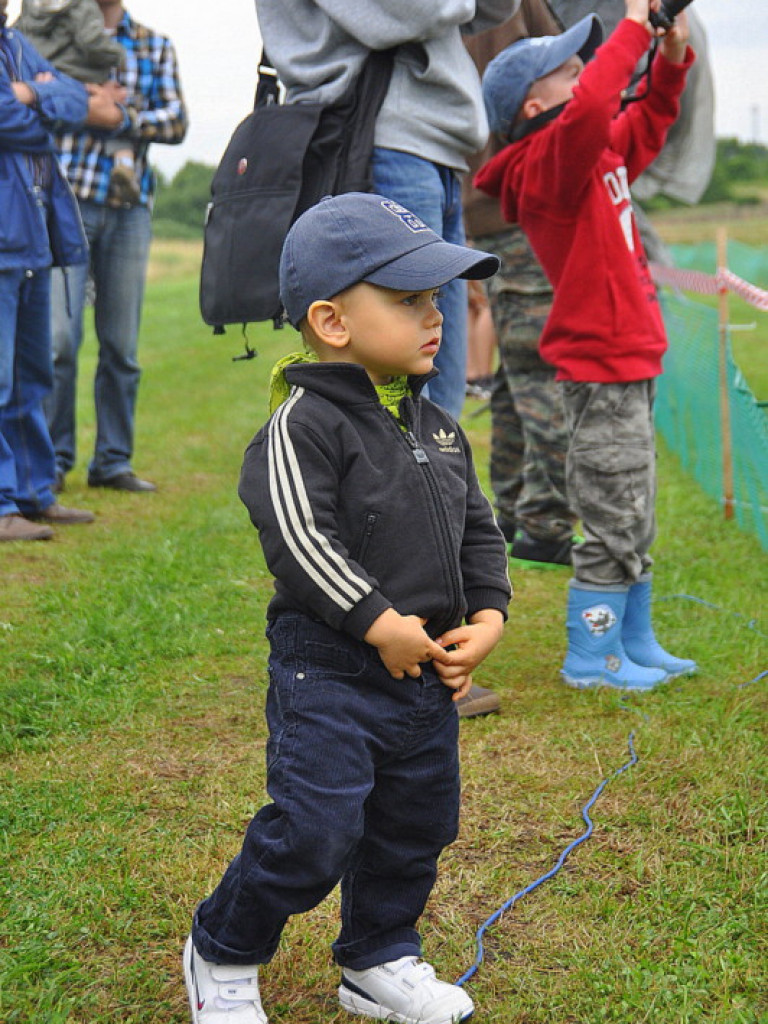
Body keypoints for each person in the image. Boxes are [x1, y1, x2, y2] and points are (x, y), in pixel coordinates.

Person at [183, 192, 511, 1024]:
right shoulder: (301, 427)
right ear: (331, 322)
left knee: (415, 826)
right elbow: (299, 539)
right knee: (314, 829)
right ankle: (223, 949)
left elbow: (477, 529)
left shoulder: (438, 426)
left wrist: (489, 617)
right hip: (330, 671)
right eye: (408, 299)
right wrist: (377, 621)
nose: (435, 316)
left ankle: (378, 956)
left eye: (436, 297)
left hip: (423, 680)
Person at [475, 0, 697, 690]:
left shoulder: (591, 156)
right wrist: (631, 26)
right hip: (600, 365)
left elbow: (647, 119)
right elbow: (599, 101)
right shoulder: (547, 162)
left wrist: (669, 55)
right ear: (534, 106)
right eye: (569, 70)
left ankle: (635, 638)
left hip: (629, 356)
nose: (584, 73)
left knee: (633, 507)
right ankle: (592, 655)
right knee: (610, 509)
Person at [253, 0, 521, 421]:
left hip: (436, 147)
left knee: (438, 400)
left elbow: (493, 10)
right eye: (415, 299)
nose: (430, 314)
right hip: (377, 133)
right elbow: (416, 10)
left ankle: (433, 466)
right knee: (399, 393)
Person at [46, 0, 187, 494]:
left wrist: (118, 116)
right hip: (64, 205)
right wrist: (83, 105)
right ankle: (53, 460)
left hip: (130, 212)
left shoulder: (154, 45)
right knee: (59, 343)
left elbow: (177, 122)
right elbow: (33, 105)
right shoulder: (56, 39)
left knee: (121, 347)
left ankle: (111, 461)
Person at [0, 0, 121, 541]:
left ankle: (32, 493)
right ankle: (1, 503)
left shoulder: (16, 45)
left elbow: (74, 98)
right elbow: (23, 120)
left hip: (32, 239)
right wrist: (44, 103)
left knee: (32, 376)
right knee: (0, 380)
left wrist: (30, 94)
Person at [464, 0, 578, 569]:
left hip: (471, 203)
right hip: (523, 202)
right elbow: (562, 63)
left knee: (514, 374)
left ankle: (509, 510)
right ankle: (545, 525)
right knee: (544, 371)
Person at [15, 0, 140, 206]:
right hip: (82, 75)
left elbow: (18, 36)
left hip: (46, 77)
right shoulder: (82, 5)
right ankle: (124, 163)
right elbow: (90, 40)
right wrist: (118, 55)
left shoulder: (31, 7)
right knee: (114, 108)